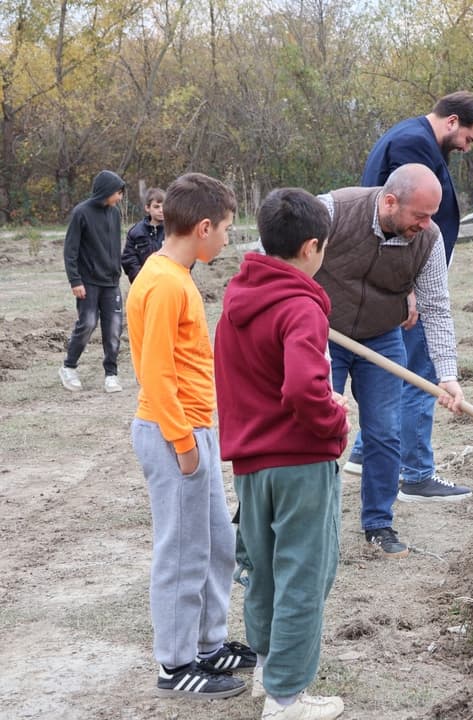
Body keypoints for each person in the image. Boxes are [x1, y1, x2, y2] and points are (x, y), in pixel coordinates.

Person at [215, 188, 350, 720]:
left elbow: (249, 378)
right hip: (299, 462)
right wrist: (333, 418)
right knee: (303, 575)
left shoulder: (237, 299)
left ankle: (269, 670)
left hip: (251, 463)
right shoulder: (301, 305)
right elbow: (299, 388)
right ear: (312, 247)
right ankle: (288, 697)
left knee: (265, 572)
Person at [126, 172, 255, 699]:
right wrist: (182, 443)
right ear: (202, 228)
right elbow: (154, 373)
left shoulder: (178, 275)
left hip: (193, 429)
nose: (227, 239)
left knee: (216, 542)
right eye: (225, 229)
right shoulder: (161, 283)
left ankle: (209, 642)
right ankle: (176, 664)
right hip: (170, 432)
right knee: (181, 551)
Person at [343, 91, 473, 501]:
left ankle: (364, 451)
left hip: (407, 276)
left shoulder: (409, 136)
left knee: (401, 370)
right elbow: (395, 218)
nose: (465, 148)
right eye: (468, 139)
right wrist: (407, 286)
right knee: (419, 373)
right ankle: (416, 472)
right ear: (453, 121)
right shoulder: (414, 144)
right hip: (405, 280)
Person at [317, 164, 466, 558]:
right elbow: (279, 254)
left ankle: (378, 524)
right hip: (322, 335)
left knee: (385, 431)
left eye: (432, 215)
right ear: (389, 201)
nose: (427, 224)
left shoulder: (429, 239)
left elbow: (436, 306)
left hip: (382, 338)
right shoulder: (333, 209)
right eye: (419, 215)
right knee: (316, 430)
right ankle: (313, 521)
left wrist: (447, 374)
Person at [60, 169, 126, 393]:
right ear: (106, 191)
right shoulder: (81, 213)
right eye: (118, 192)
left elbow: (115, 246)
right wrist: (75, 281)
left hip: (111, 282)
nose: (120, 197)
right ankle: (68, 367)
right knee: (87, 324)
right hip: (87, 282)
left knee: (114, 328)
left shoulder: (115, 213)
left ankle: (111, 374)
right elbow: (70, 251)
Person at [121, 187, 166, 284]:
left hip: (169, 284)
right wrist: (141, 279)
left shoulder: (174, 230)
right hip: (144, 284)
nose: (161, 210)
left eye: (164, 206)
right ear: (147, 208)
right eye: (156, 206)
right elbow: (128, 259)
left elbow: (186, 254)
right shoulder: (136, 232)